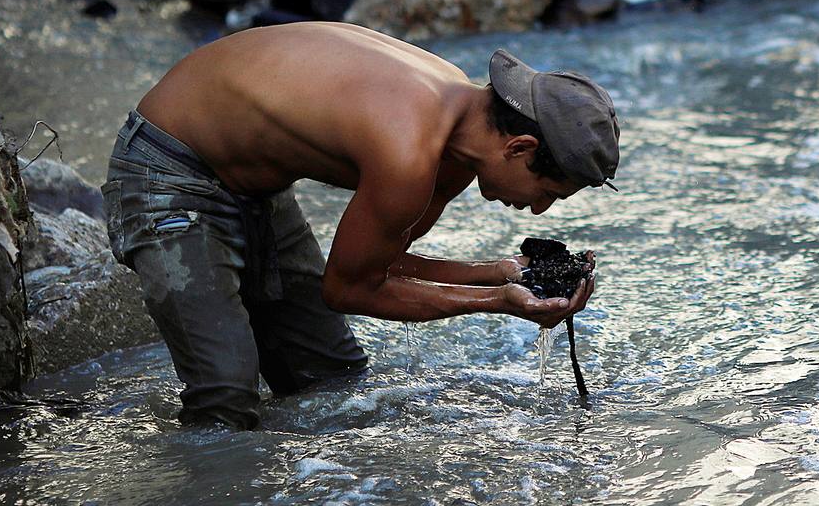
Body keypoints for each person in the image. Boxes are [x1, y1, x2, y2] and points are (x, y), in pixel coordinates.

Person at [102, 22, 620, 428]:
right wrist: (499, 302)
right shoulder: (410, 152)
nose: (540, 212)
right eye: (548, 193)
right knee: (225, 398)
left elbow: (381, 261)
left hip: (254, 185)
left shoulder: (460, 136)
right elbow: (347, 289)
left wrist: (503, 273)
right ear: (520, 147)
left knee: (329, 377)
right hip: (168, 166)